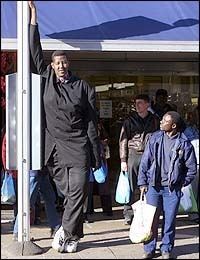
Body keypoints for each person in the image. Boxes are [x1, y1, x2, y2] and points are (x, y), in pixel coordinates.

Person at [28, 1, 101, 253]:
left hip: (79, 146)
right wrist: (34, 18)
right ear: (52, 66)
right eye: (56, 62)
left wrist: (96, 154)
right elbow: (34, 50)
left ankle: (65, 232)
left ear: (68, 64)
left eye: (64, 62)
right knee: (68, 194)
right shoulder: (46, 79)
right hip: (55, 149)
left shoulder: (83, 88)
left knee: (79, 191)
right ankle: (74, 236)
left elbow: (92, 122)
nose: (60, 65)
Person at [138, 111, 197, 259]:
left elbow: (191, 168)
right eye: (162, 120)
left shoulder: (184, 143)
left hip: (172, 190)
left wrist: (181, 183)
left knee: (169, 221)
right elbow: (145, 162)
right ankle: (149, 248)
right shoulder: (155, 138)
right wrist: (142, 182)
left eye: (165, 121)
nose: (161, 122)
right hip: (153, 187)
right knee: (151, 220)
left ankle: (166, 248)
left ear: (174, 125)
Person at [119, 94, 160, 225]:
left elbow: (159, 137)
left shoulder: (154, 119)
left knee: (149, 183)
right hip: (134, 153)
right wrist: (123, 159)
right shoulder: (129, 120)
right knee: (130, 184)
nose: (137, 105)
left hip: (150, 154)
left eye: (140, 103)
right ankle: (128, 212)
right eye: (136, 103)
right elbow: (123, 140)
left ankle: (148, 210)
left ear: (148, 105)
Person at [86, 119, 113, 218]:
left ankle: (103, 210)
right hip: (92, 158)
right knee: (90, 186)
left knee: (101, 184)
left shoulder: (98, 124)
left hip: (98, 158)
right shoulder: (96, 124)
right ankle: (89, 211)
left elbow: (106, 138)